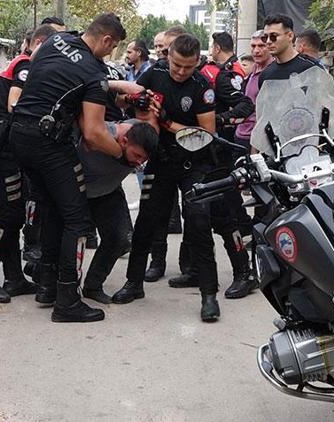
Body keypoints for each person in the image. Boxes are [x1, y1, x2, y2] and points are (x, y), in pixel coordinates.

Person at [10, 13, 126, 323]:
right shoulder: (94, 73)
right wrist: (123, 156)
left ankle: (47, 287)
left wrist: (114, 86)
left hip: (18, 134)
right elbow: (93, 133)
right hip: (49, 143)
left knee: (53, 209)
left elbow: (45, 69)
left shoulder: (54, 40)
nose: (110, 53)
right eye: (112, 47)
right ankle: (67, 300)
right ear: (106, 40)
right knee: (77, 219)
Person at [112, 34, 223, 322]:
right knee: (147, 222)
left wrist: (167, 123)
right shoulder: (156, 72)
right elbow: (128, 101)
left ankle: (209, 295)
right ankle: (134, 282)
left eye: (187, 67)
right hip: (160, 162)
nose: (180, 72)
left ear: (197, 62)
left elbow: (207, 135)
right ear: (168, 56)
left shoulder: (202, 86)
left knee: (198, 222)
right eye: (176, 65)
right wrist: (128, 99)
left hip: (193, 164)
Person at [0, 24, 57, 303]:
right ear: (40, 43)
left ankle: (14, 277)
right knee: (10, 216)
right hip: (0, 150)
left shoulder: (29, 65)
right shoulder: (25, 65)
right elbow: (14, 104)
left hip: (10, 149)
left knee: (15, 213)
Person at [167, 31, 256, 298]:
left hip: (217, 156)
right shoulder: (172, 77)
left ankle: (245, 273)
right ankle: (194, 269)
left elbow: (245, 105)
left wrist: (218, 120)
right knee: (193, 214)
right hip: (191, 158)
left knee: (225, 218)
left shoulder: (219, 77)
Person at [77, 120, 159, 304]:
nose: (139, 163)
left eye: (143, 159)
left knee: (120, 240)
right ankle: (56, 283)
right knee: (71, 241)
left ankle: (93, 285)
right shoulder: (98, 135)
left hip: (109, 191)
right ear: (123, 141)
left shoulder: (140, 134)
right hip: (77, 192)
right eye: (137, 155)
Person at [140, 25, 186, 284]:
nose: (166, 55)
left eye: (169, 49)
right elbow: (133, 94)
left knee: (194, 213)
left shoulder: (199, 76)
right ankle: (156, 261)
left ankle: (188, 265)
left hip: (190, 154)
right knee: (155, 211)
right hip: (159, 153)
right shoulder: (155, 71)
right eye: (165, 51)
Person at [259, 14, 320, 89]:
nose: (268, 41)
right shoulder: (265, 75)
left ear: (290, 36)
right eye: (265, 37)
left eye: (273, 36)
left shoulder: (311, 68)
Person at [235, 30, 273, 149]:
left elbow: (265, 114)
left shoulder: (272, 73)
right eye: (253, 46)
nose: (256, 50)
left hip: (257, 141)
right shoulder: (254, 69)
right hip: (240, 134)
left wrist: (254, 149)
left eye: (261, 46)